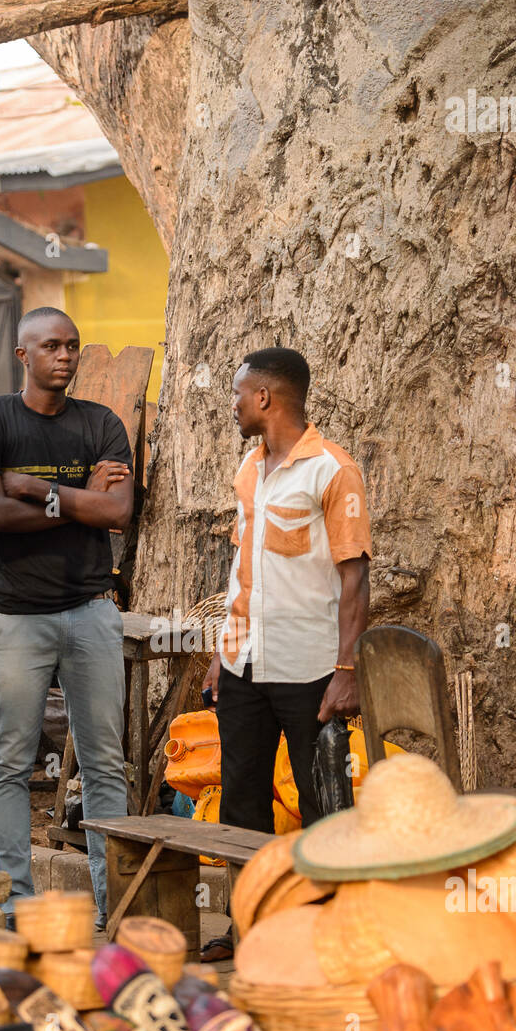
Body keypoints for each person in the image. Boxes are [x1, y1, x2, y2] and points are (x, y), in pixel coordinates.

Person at [0, 307, 132, 931]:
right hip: (18, 619)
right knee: (10, 763)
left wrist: (37, 490)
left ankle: (113, 907)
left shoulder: (101, 423)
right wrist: (78, 500)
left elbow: (117, 514)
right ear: (22, 354)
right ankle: (17, 909)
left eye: (73, 347)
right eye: (51, 346)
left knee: (104, 762)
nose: (65, 356)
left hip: (91, 612)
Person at [201, 347, 372, 960]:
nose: (234, 404)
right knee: (242, 802)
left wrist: (347, 672)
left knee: (321, 800)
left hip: (311, 672)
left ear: (266, 398)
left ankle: (332, 932)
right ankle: (251, 925)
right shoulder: (250, 470)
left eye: (239, 393)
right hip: (246, 664)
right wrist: (223, 653)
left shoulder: (332, 471)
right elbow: (240, 572)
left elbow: (356, 581)